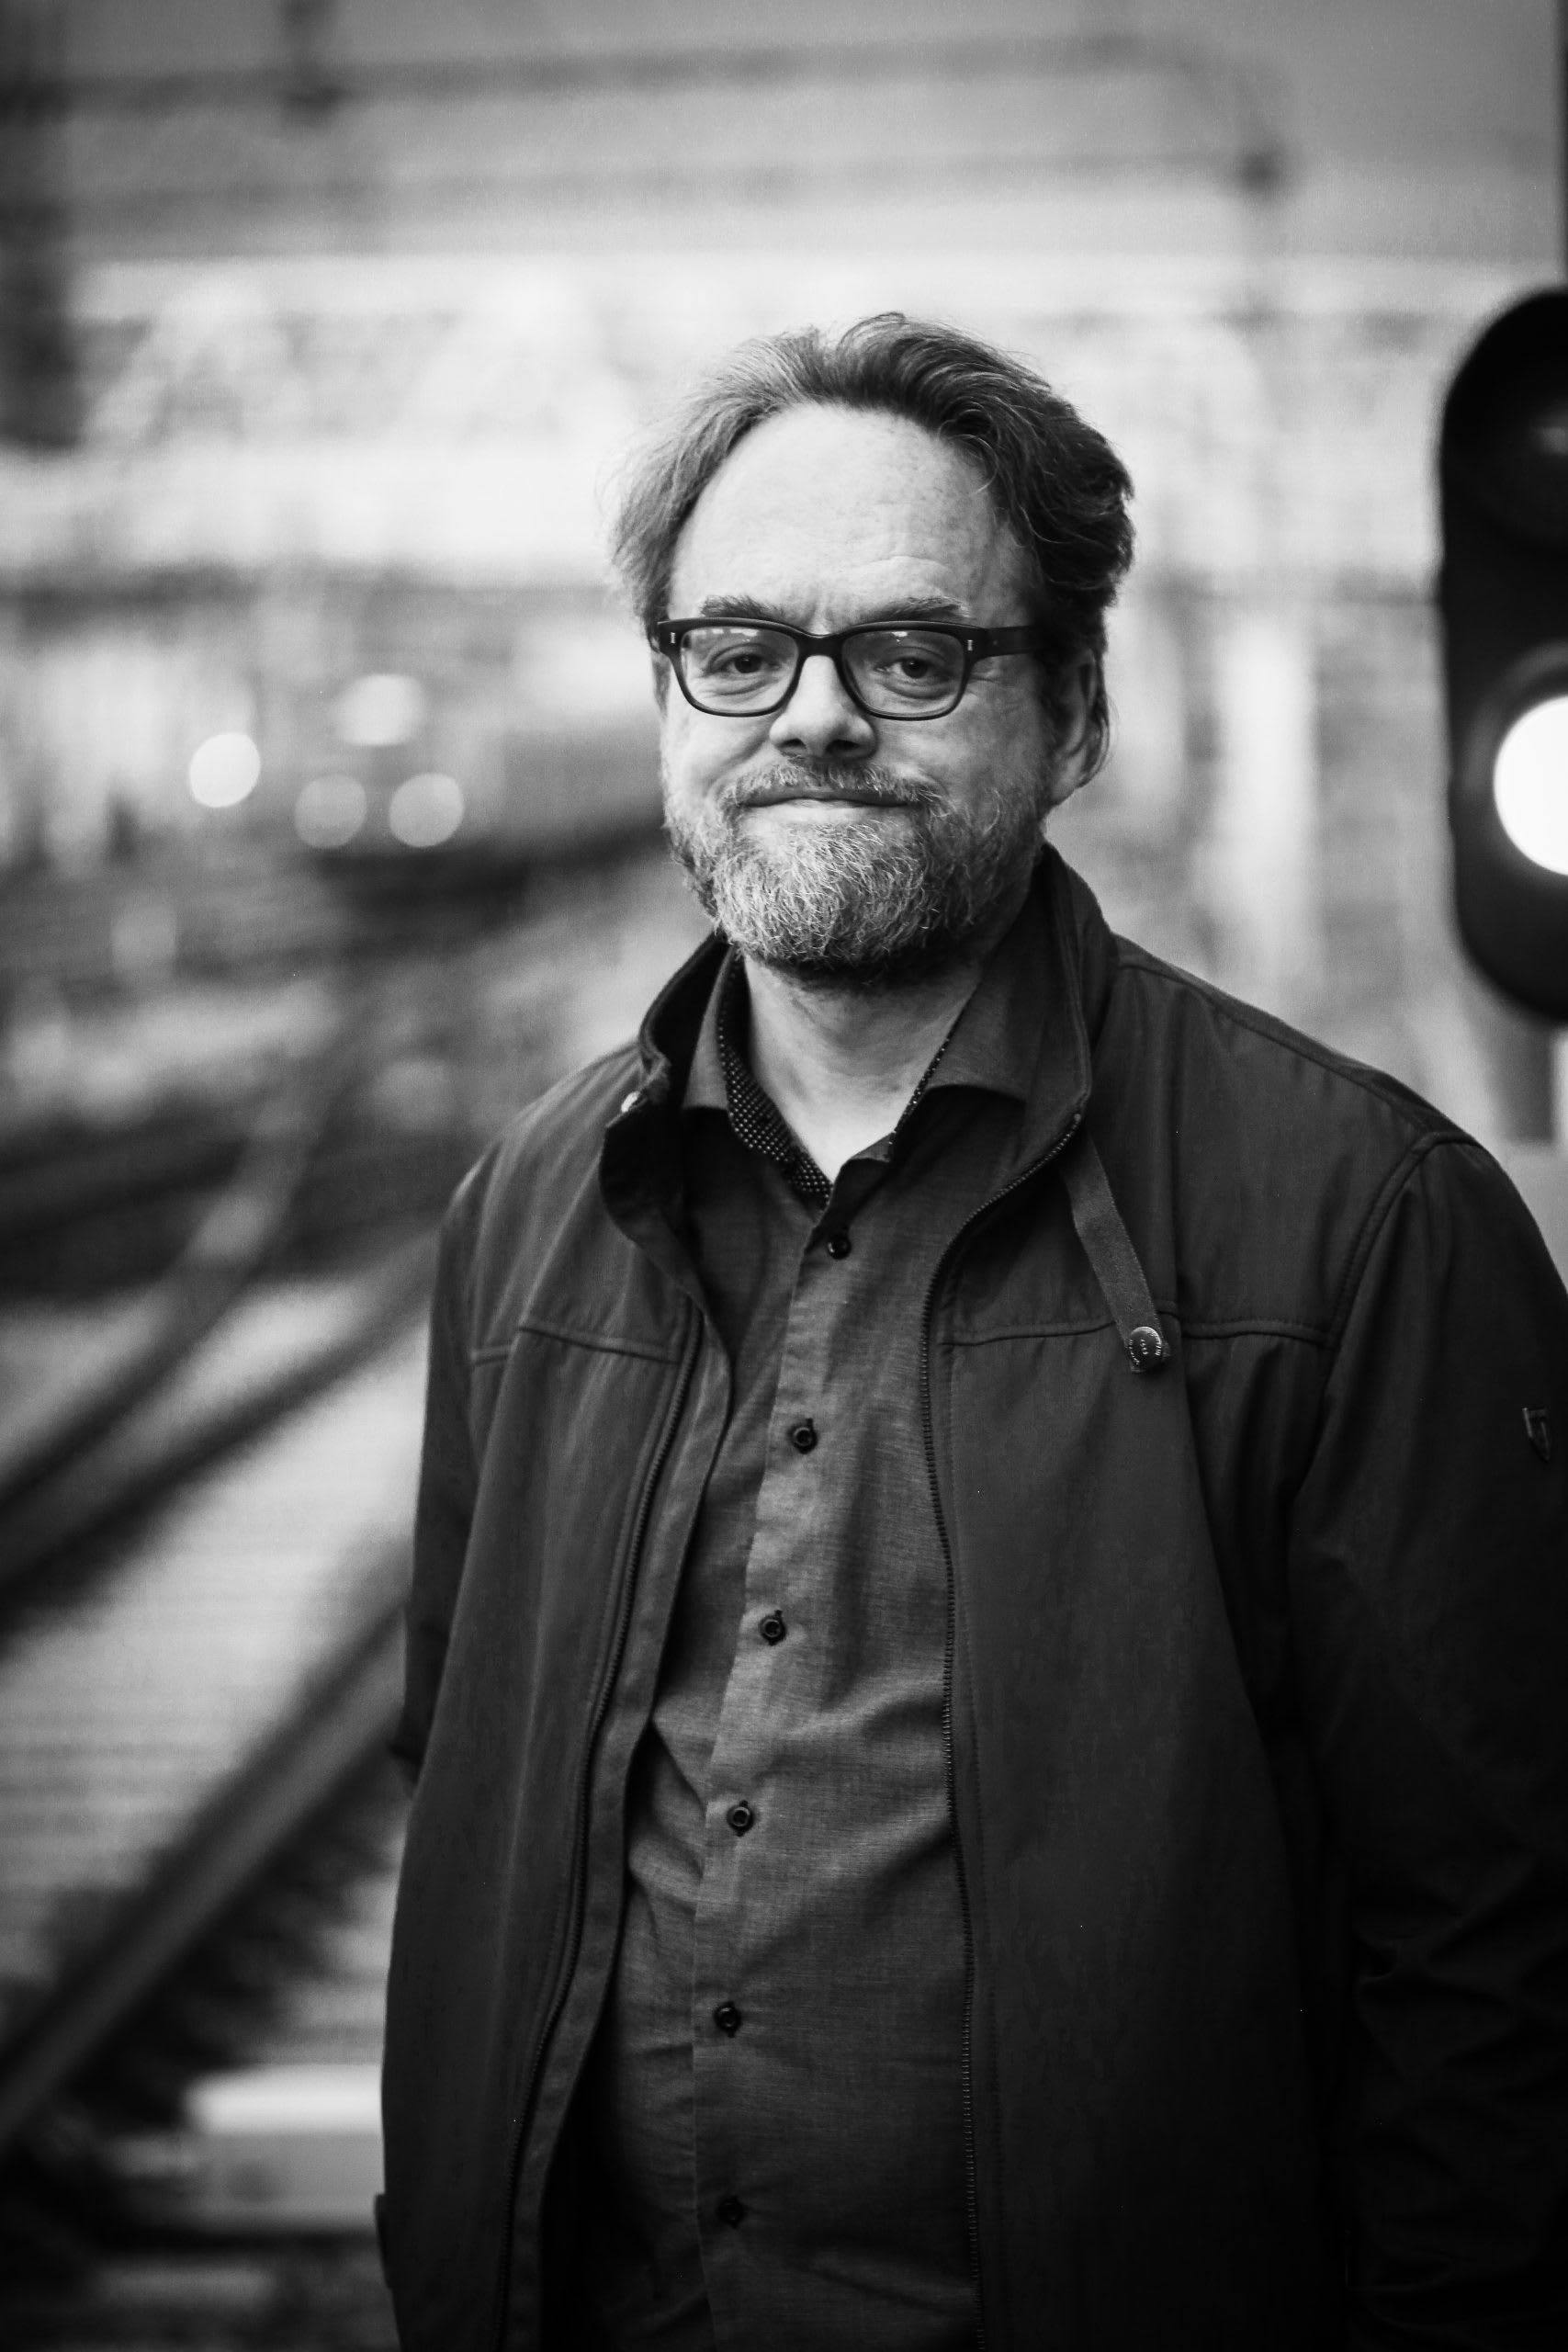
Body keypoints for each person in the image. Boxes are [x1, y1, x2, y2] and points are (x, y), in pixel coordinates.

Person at [379, 315, 1568, 2352]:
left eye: (913, 654)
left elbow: (1496, 1959)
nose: (811, 716)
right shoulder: (522, 1222)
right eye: (735, 649)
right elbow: (463, 1811)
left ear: (1073, 710)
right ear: (668, 692)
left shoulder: (1362, 1226)